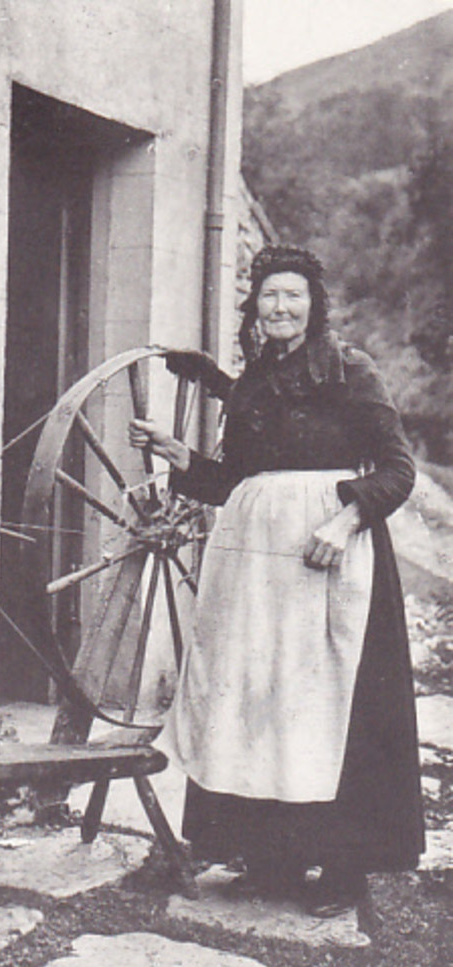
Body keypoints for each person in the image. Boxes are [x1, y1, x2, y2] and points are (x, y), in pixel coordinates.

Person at [129, 244, 424, 916]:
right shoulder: (254, 381)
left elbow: (397, 470)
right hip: (253, 564)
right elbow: (236, 482)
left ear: (314, 305)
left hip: (327, 562)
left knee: (322, 710)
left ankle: (344, 874)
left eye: (293, 295)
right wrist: (182, 460)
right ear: (255, 308)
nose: (281, 307)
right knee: (259, 702)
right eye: (269, 296)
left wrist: (345, 523)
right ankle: (271, 863)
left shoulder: (351, 371)